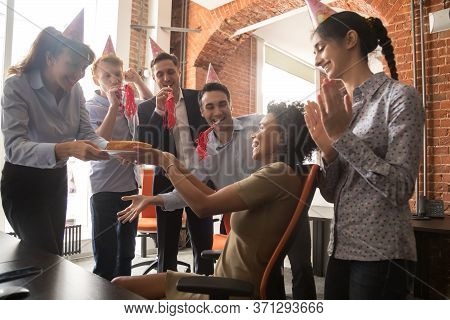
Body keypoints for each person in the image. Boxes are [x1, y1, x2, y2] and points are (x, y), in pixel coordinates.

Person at [120, 80, 317, 299]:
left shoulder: (274, 164)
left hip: (240, 269)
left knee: (300, 267)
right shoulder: (206, 147)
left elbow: (204, 205)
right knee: (120, 283)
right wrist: (156, 193)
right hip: (228, 262)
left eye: (222, 104)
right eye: (210, 107)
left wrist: (166, 161)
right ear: (203, 112)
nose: (217, 111)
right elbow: (205, 192)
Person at [303, 0, 424, 299]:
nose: (317, 60)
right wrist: (328, 153)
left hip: (380, 253)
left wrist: (342, 136)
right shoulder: (338, 107)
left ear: (350, 40)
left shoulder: (398, 98)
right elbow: (334, 194)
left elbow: (400, 188)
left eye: (320, 48)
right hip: (341, 248)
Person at [1, 24, 109, 256]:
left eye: (82, 68)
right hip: (22, 183)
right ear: (50, 57)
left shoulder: (76, 90)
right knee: (44, 254)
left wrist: (115, 151)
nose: (78, 75)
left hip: (55, 182)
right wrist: (65, 149)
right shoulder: (17, 85)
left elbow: (87, 134)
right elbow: (14, 148)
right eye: (72, 65)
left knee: (54, 255)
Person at [137, 49, 212, 275]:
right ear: (154, 77)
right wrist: (159, 111)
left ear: (179, 71)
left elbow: (214, 131)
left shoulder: (198, 98)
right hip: (167, 180)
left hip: (200, 180)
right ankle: (165, 296)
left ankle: (206, 290)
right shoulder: (147, 108)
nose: (166, 78)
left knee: (203, 245)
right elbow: (145, 147)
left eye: (170, 71)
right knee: (167, 248)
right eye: (160, 74)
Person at [85, 39, 152, 280]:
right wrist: (113, 106)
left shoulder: (130, 105)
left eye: (117, 76)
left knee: (126, 254)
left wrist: (137, 80)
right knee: (106, 255)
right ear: (96, 80)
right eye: (107, 76)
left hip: (130, 187)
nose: (114, 80)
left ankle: (124, 299)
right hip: (103, 188)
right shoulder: (90, 107)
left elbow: (151, 104)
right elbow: (96, 143)